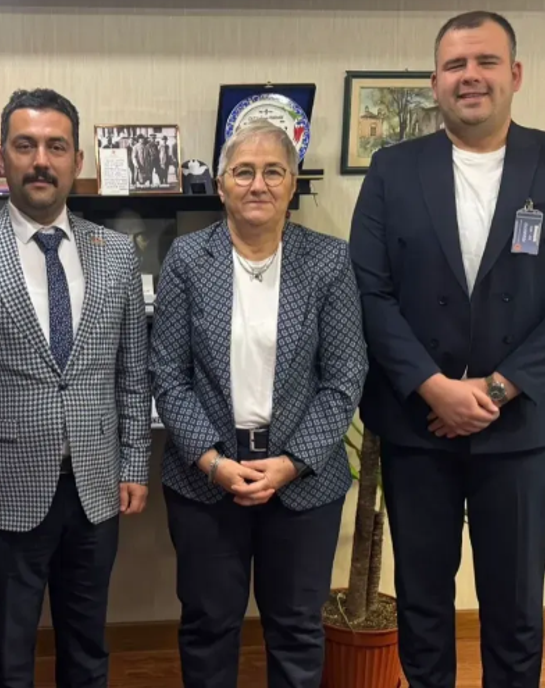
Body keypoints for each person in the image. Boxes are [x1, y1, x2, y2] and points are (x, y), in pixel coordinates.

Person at [347, 11, 545, 688]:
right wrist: (434, 388)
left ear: (515, 74)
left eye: (486, 62)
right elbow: (369, 292)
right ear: (435, 81)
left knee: (515, 606)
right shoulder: (392, 170)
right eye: (455, 65)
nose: (470, 77)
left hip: (522, 427)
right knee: (421, 603)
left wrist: (496, 389)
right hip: (417, 424)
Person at [0, 87, 151, 688]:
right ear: (2, 158)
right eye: (25, 146)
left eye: (56, 146)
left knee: (88, 649)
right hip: (2, 487)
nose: (41, 160)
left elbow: (131, 373)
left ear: (77, 160)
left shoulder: (116, 254)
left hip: (97, 486)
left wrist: (134, 463)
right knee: (9, 655)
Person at [150, 120, 368, 688]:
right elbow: (167, 375)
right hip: (205, 481)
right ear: (221, 185)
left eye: (274, 171)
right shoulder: (188, 259)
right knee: (208, 625)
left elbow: (344, 377)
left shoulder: (328, 261)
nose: (258, 184)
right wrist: (214, 463)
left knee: (296, 629)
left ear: (293, 184)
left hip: (304, 482)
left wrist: (291, 463)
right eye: (243, 172)